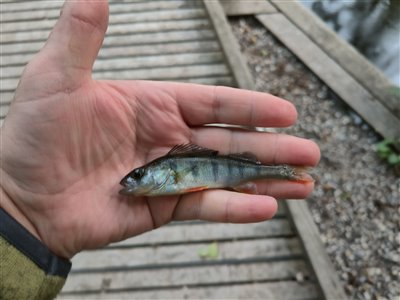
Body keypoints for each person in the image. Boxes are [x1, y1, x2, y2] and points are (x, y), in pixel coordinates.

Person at [0, 1, 320, 299]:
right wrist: (20, 214)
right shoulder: (161, 177)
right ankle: (287, 173)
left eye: (139, 175)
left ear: (159, 173)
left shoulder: (168, 171)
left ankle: (286, 172)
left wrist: (18, 218)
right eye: (137, 175)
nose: (131, 180)